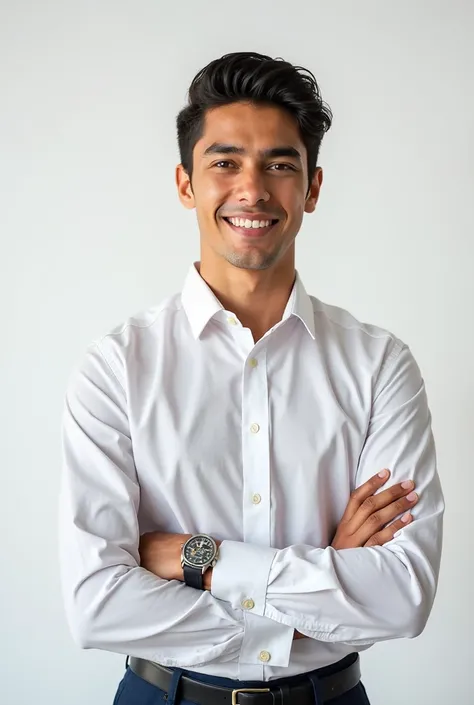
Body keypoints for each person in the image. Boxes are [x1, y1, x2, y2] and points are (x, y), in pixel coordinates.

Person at [59, 52, 444, 705]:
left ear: (312, 188)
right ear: (186, 183)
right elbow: (96, 604)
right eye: (225, 162)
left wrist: (196, 560)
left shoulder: (380, 366)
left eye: (280, 165)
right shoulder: (116, 369)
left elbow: (402, 596)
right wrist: (325, 578)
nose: (253, 189)